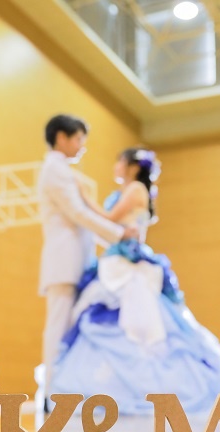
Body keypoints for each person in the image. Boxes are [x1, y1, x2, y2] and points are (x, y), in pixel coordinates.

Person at [44, 147, 220, 415]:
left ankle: (137, 389)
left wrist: (85, 198)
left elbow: (109, 219)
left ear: (131, 166)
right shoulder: (131, 190)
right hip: (117, 262)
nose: (116, 166)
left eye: (119, 161)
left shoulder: (135, 189)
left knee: (137, 329)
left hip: (127, 266)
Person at [38, 115, 138, 409]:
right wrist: (118, 234)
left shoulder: (62, 170)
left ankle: (62, 391)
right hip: (63, 262)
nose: (82, 146)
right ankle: (51, 393)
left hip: (76, 262)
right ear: (61, 137)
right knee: (57, 328)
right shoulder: (54, 169)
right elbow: (77, 214)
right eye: (78, 139)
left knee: (69, 329)